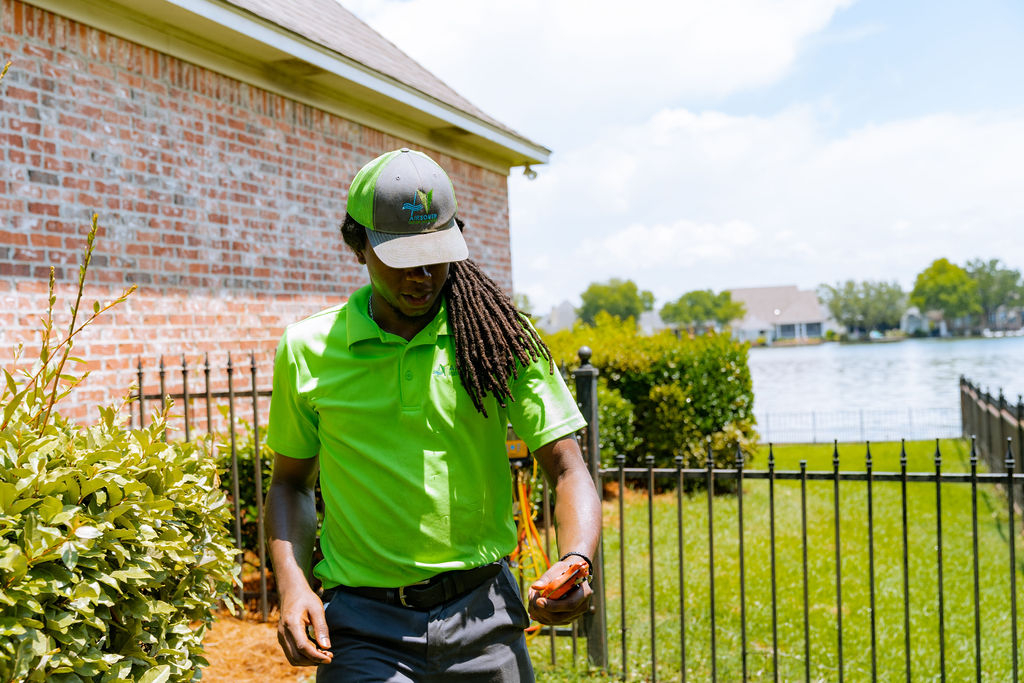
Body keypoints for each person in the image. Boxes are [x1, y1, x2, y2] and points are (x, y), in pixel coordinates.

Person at [264, 147, 602, 681]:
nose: (422, 274)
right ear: (359, 247)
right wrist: (294, 584)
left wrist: (576, 560)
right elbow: (290, 485)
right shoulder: (307, 348)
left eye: (436, 253)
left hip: (485, 617)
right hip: (363, 629)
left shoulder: (499, 340)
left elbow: (567, 467)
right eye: (402, 257)